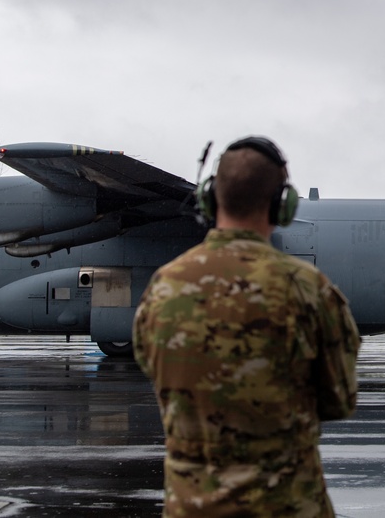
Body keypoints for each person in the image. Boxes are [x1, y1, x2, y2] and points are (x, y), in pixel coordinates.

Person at [133, 136, 361, 518]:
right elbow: (339, 399)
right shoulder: (307, 288)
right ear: (282, 204)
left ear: (209, 198)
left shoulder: (163, 286)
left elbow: (152, 369)